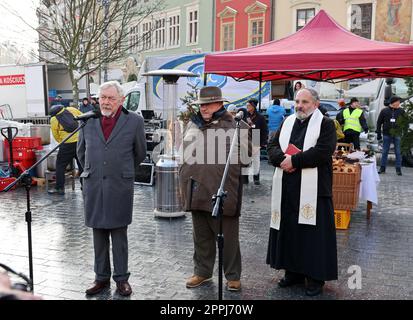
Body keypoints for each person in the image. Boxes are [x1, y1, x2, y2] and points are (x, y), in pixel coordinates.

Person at [77, 81, 146, 297]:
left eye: (111, 98)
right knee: (98, 234)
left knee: (118, 235)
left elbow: (140, 153)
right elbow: (81, 152)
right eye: (103, 97)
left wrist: (121, 170)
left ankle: (122, 279)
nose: (106, 102)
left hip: (119, 185)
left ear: (121, 100)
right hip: (94, 185)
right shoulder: (87, 120)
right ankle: (101, 278)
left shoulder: (134, 121)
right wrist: (93, 171)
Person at [267, 88, 337, 297]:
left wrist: (293, 161)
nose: (299, 105)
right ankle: (293, 272)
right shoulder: (287, 122)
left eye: (305, 102)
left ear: (315, 104)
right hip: (287, 188)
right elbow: (271, 146)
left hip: (314, 190)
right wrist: (282, 160)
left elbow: (323, 151)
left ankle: (315, 277)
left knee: (313, 236)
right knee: (290, 231)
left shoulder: (325, 124)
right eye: (297, 101)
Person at [179, 86, 250, 292]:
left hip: (222, 190)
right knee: (200, 235)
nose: (203, 108)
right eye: (201, 104)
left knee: (228, 236)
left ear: (220, 103)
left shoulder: (239, 126)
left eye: (208, 104)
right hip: (195, 188)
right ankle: (202, 272)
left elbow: (246, 159)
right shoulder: (192, 123)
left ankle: (232, 275)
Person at [48, 104, 83, 195]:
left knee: (60, 166)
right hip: (79, 141)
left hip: (66, 144)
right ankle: (85, 186)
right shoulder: (71, 109)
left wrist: (62, 141)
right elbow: (83, 117)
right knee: (82, 164)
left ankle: (59, 188)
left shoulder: (54, 119)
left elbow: (55, 134)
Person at [376, 95, 406, 175]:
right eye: (398, 101)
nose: (399, 103)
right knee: (385, 151)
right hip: (386, 134)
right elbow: (379, 123)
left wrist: (405, 133)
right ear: (393, 102)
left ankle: (398, 169)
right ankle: (382, 168)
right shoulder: (384, 111)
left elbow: (405, 123)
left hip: (397, 134)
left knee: (398, 152)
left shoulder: (401, 111)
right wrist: (378, 134)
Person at [246, 98, 268, 185]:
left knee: (256, 161)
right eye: (247, 105)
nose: (247, 107)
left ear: (253, 106)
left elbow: (264, 131)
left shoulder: (260, 117)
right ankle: (245, 178)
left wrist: (262, 143)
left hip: (256, 138)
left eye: (249, 105)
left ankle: (256, 178)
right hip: (246, 139)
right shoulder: (245, 116)